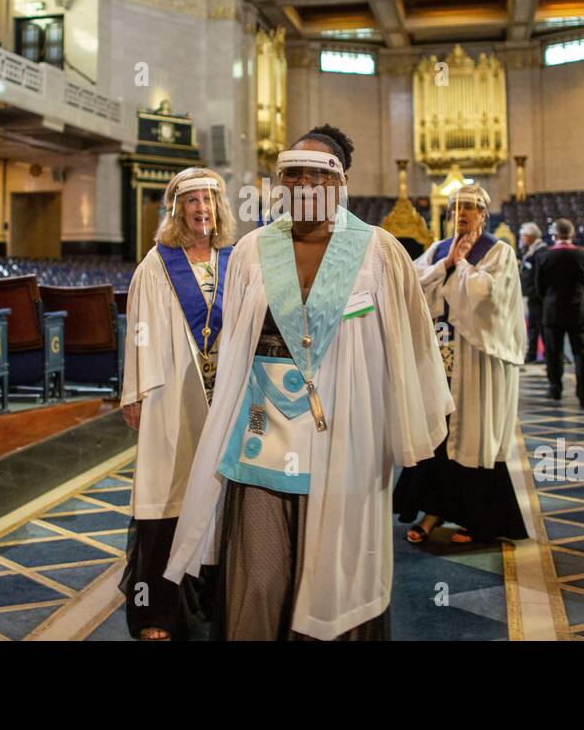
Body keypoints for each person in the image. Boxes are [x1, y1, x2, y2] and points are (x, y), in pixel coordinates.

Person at [164, 125, 450, 640]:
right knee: (259, 575)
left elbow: (415, 347)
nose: (303, 183)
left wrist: (408, 430)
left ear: (340, 184)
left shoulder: (381, 253)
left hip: (349, 433)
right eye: (291, 173)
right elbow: (234, 347)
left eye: (318, 173)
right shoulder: (251, 252)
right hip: (261, 428)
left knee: (336, 573)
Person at [118, 167, 235, 640]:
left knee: (218, 499)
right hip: (171, 397)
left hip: (224, 398)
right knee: (167, 500)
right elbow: (139, 332)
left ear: (218, 208)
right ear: (178, 210)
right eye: (192, 202)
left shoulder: (234, 260)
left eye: (208, 200)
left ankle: (216, 602)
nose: (201, 209)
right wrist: (136, 392)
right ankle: (158, 613)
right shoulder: (156, 264)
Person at [394, 185, 530, 545]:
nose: (462, 213)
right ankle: (433, 511)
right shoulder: (439, 249)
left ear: (484, 214)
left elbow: (492, 298)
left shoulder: (499, 252)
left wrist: (465, 267)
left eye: (470, 208)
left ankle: (479, 519)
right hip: (440, 356)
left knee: (471, 434)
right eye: (457, 208)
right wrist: (447, 264)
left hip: (475, 361)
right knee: (437, 436)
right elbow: (411, 284)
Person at [534, 217, 584, 407]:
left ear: (554, 235)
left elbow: (539, 287)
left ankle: (555, 389)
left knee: (553, 353)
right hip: (579, 310)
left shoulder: (544, 257)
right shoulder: (583, 256)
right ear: (572, 234)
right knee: (581, 354)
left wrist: (551, 299)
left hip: (553, 311)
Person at [519, 222, 548, 363]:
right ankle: (532, 354)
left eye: (523, 236)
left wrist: (534, 291)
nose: (522, 239)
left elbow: (539, 275)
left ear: (530, 236)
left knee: (540, 326)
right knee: (533, 326)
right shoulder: (531, 250)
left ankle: (544, 355)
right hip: (532, 295)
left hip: (538, 297)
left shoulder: (540, 251)